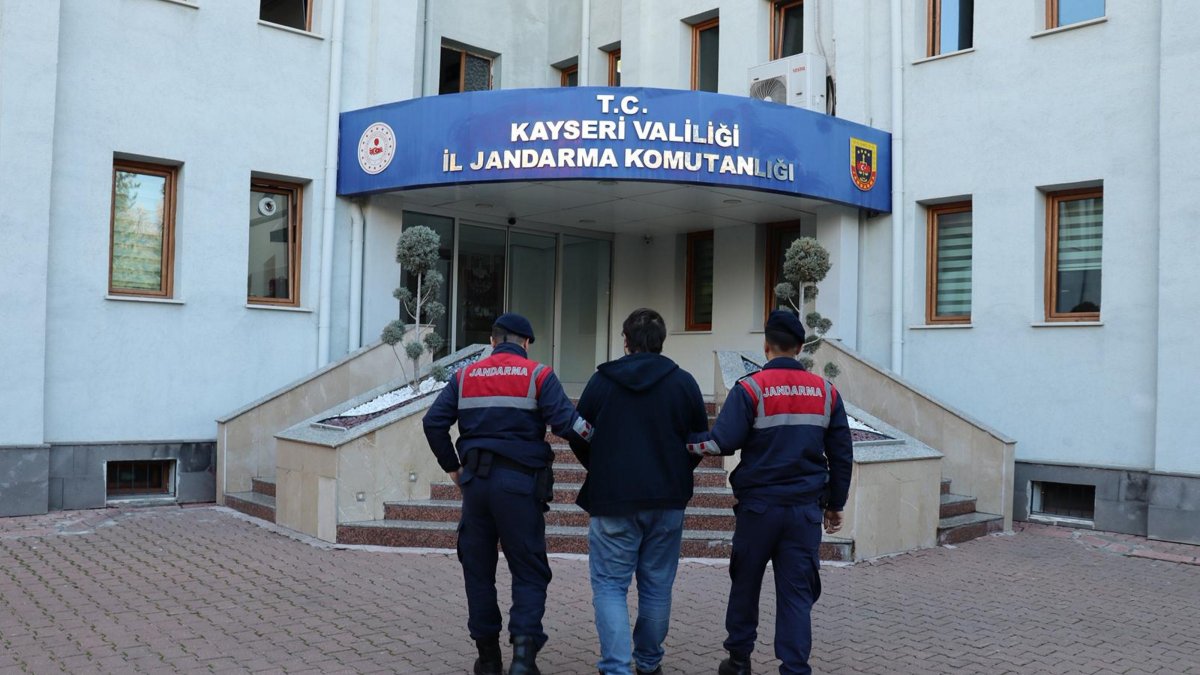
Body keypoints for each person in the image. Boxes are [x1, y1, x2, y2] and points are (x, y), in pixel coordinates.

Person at [423, 313, 593, 675]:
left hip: (476, 487)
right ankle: (522, 659)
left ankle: (487, 660)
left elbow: (433, 421)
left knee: (478, 569)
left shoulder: (465, 376)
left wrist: (452, 467)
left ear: (493, 340)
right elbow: (569, 425)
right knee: (529, 570)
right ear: (526, 343)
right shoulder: (538, 374)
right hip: (518, 485)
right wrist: (605, 435)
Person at [686, 309, 853, 675]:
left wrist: (685, 444)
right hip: (804, 511)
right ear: (799, 347)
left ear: (766, 346)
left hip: (759, 509)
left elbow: (722, 442)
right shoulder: (826, 392)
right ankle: (794, 667)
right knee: (796, 593)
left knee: (745, 582)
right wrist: (835, 504)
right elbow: (842, 454)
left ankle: (739, 660)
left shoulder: (750, 388)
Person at [568, 308, 709, 675]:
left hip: (612, 499)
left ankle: (615, 667)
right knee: (658, 585)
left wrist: (599, 469)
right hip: (667, 500)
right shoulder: (684, 383)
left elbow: (579, 433)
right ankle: (648, 664)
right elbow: (697, 442)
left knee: (611, 587)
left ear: (625, 341)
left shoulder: (602, 382)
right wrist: (677, 472)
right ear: (661, 342)